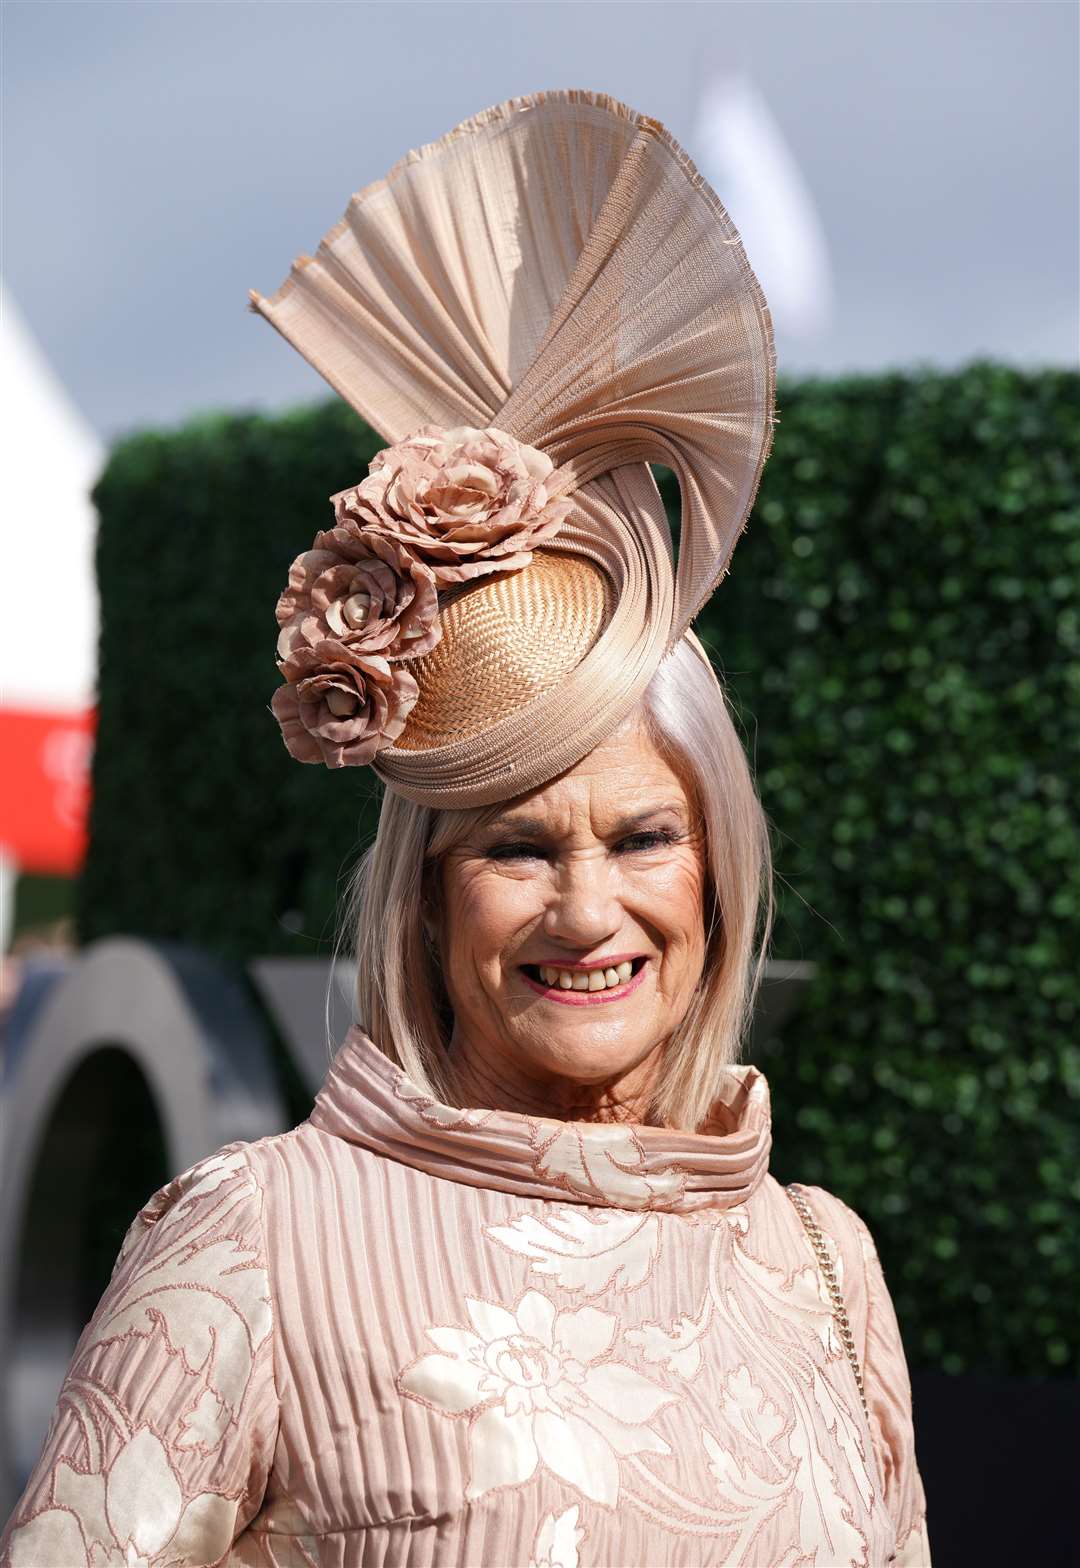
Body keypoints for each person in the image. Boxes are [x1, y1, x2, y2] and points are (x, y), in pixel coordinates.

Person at [1, 91, 930, 1567]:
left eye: (641, 840)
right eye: (516, 848)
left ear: (720, 875)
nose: (587, 910)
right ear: (424, 900)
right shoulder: (257, 1241)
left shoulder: (819, 1257)